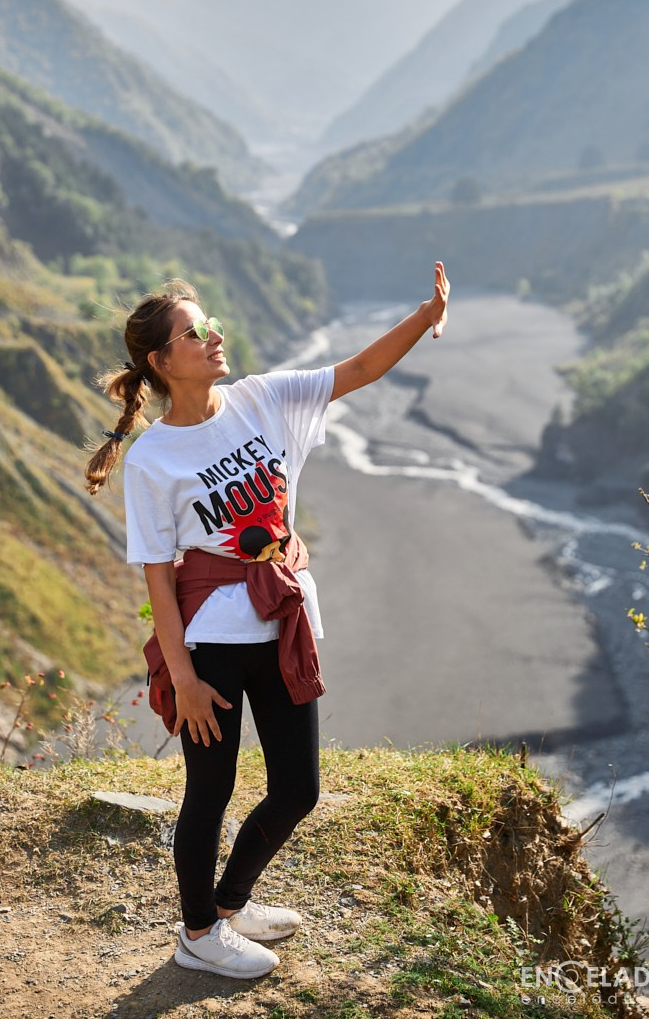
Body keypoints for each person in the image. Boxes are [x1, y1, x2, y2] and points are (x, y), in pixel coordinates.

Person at [84, 262, 449, 980]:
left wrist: (425, 316)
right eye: (197, 332)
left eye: (212, 324)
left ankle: (229, 905)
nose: (216, 337)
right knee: (209, 791)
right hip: (213, 645)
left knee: (298, 787)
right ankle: (197, 934)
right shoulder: (153, 458)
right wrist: (182, 677)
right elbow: (160, 580)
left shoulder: (262, 399)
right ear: (162, 362)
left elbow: (360, 369)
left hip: (280, 620)